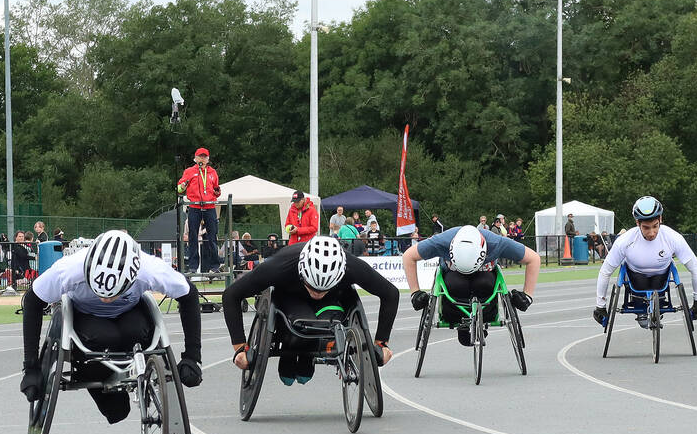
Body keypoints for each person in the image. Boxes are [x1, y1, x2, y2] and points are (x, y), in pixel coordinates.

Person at [20, 229, 203, 423]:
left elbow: (188, 295)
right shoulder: (69, 269)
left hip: (130, 313)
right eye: (99, 292)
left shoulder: (149, 268)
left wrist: (192, 357)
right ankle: (104, 383)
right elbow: (33, 301)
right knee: (117, 410)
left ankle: (139, 367)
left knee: (136, 333)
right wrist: (31, 368)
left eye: (112, 294)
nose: (105, 300)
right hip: (86, 317)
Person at [223, 235, 397, 385]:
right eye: (313, 288)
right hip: (291, 295)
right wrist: (240, 347)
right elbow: (231, 295)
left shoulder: (351, 266)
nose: (317, 294)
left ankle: (308, 355)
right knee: (301, 325)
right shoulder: (280, 265)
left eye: (322, 289)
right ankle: (290, 352)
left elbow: (390, 294)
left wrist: (381, 343)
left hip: (333, 299)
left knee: (326, 325)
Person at [403, 224, 539, 346]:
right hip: (453, 281)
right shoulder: (442, 241)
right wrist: (415, 293)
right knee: (456, 284)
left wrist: (527, 296)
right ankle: (458, 317)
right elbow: (409, 256)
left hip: (485, 280)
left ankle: (484, 316)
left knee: (484, 283)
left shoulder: (496, 242)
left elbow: (533, 259)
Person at [593, 196, 697, 329]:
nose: (651, 233)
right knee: (627, 269)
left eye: (655, 226)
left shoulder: (673, 238)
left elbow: (696, 269)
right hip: (635, 281)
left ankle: (656, 307)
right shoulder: (625, 241)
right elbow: (605, 271)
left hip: (661, 280)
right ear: (637, 223)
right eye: (646, 228)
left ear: (660, 220)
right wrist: (600, 306)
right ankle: (641, 311)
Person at [177, 147, 220, 273]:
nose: (202, 158)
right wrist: (183, 186)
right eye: (200, 156)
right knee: (192, 237)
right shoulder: (189, 171)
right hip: (195, 206)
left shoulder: (212, 172)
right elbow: (179, 189)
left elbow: (216, 190)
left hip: (209, 206)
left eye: (204, 156)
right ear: (195, 158)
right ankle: (193, 267)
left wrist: (217, 191)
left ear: (208, 159)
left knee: (212, 236)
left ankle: (215, 266)